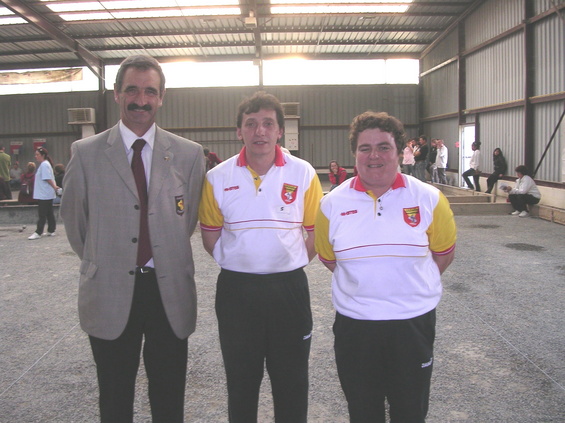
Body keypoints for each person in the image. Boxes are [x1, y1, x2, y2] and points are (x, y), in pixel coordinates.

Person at [60, 54, 205, 423]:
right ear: (116, 94)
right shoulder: (86, 153)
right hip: (109, 289)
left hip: (167, 290)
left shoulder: (188, 155)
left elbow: (186, 221)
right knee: (114, 395)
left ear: (162, 96)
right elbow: (77, 225)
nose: (141, 100)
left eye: (150, 91)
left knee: (169, 394)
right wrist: (108, 257)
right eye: (132, 90)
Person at [314, 111, 457, 423]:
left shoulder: (430, 198)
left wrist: (406, 286)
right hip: (356, 327)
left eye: (384, 147)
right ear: (354, 154)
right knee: (363, 412)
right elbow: (329, 258)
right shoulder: (330, 205)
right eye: (365, 148)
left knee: (410, 412)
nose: (374, 155)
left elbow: (443, 254)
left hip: (412, 326)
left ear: (399, 152)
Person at [198, 91, 323, 423]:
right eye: (251, 124)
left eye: (268, 123)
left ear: (280, 130)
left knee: (292, 384)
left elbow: (316, 235)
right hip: (237, 292)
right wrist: (244, 260)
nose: (260, 131)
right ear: (239, 131)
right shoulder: (217, 178)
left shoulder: (304, 173)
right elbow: (210, 236)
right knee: (241, 385)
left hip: (289, 290)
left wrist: (285, 260)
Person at [28, 147, 59, 239]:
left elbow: (47, 178)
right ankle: (51, 230)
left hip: (44, 194)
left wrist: (54, 186)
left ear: (43, 155)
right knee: (49, 212)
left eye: (37, 155)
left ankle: (38, 232)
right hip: (45, 193)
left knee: (42, 213)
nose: (36, 156)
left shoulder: (44, 165)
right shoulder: (44, 164)